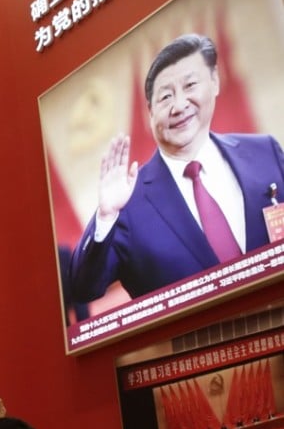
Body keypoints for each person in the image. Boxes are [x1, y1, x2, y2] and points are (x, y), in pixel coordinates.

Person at [70, 34, 284, 302]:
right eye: (166, 97)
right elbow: (83, 287)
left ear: (214, 81)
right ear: (150, 111)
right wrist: (105, 216)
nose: (179, 105)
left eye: (190, 85)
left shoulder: (265, 153)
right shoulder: (128, 203)